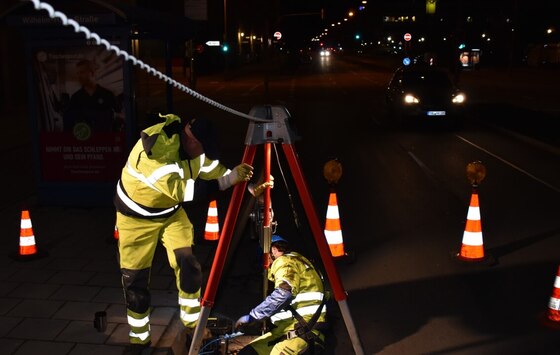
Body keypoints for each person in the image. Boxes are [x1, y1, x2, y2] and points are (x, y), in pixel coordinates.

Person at [114, 113, 253, 353]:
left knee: (189, 265)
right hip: (135, 219)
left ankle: (191, 324)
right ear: (190, 138)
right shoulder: (156, 156)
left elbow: (206, 166)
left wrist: (244, 181)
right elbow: (192, 192)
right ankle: (139, 339)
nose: (201, 153)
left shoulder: (189, 144)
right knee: (135, 282)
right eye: (200, 148)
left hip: (169, 214)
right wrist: (229, 181)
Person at [235, 235, 328, 355]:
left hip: (302, 330)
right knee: (251, 352)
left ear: (273, 250)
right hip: (289, 329)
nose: (267, 263)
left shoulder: (284, 261)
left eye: (265, 257)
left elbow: (283, 293)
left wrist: (253, 316)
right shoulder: (302, 263)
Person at [63, 59, 123, 134]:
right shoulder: (76, 97)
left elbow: (120, 116)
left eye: (82, 72)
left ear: (92, 73)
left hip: (105, 140)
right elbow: (69, 121)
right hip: (84, 140)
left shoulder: (107, 95)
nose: (79, 76)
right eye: (77, 73)